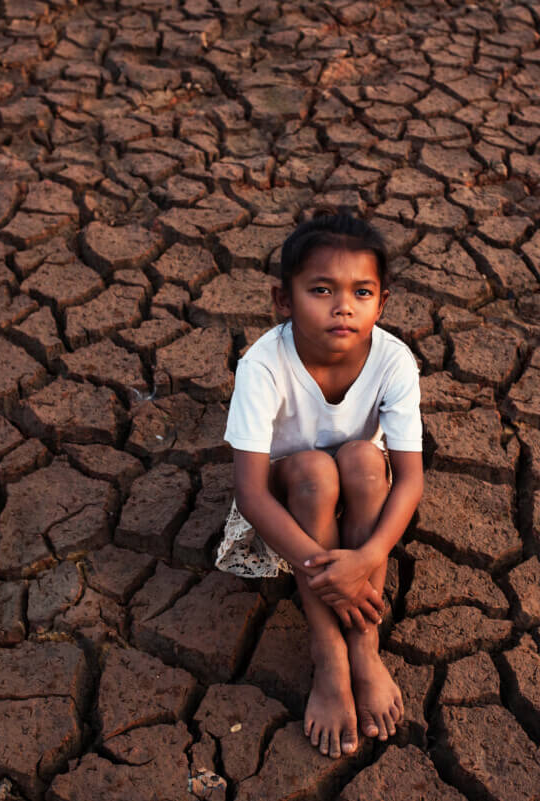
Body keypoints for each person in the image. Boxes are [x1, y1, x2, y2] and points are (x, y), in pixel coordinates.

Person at [216, 211, 424, 759]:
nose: (343, 306)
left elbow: (410, 479)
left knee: (360, 458)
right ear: (283, 300)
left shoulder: (394, 360)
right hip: (289, 500)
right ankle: (329, 650)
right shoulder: (262, 365)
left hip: (361, 491)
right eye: (321, 290)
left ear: (382, 303)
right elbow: (251, 492)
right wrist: (327, 570)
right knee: (314, 469)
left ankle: (364, 643)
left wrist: (368, 557)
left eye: (362, 292)